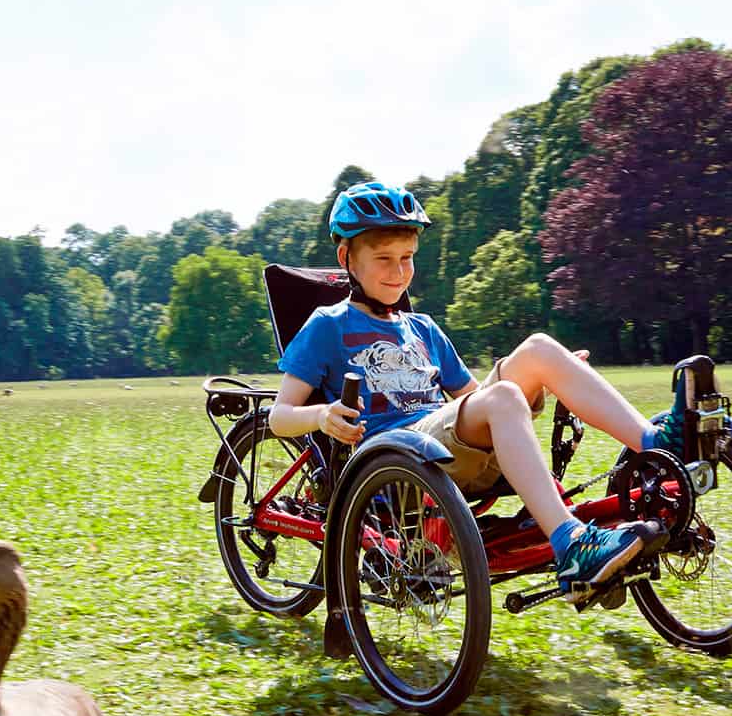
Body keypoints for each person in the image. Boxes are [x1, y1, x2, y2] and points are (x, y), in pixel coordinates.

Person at [269, 180, 682, 603]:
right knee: (503, 396)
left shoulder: (423, 328)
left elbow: (471, 397)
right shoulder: (328, 325)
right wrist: (321, 416)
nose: (398, 273)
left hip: (448, 447)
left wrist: (547, 375)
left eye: (407, 258)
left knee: (539, 349)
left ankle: (659, 445)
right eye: (384, 259)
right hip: (392, 463)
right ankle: (572, 545)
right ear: (347, 260)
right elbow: (279, 416)